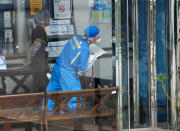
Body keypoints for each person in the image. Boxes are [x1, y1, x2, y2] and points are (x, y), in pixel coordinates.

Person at [46, 25, 100, 112]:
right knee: (75, 98)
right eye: (98, 37)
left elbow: (74, 51)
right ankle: (77, 122)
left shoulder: (76, 37)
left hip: (58, 67)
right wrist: (92, 60)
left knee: (50, 94)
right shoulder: (85, 49)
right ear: (92, 39)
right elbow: (82, 69)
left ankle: (45, 115)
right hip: (68, 73)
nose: (98, 39)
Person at [24, 10, 50, 91]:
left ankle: (42, 100)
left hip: (41, 61)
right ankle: (41, 101)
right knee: (41, 85)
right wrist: (29, 56)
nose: (49, 20)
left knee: (42, 82)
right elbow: (37, 44)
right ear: (44, 19)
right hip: (39, 62)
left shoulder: (41, 29)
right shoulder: (39, 29)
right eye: (48, 18)